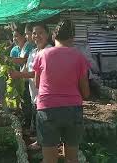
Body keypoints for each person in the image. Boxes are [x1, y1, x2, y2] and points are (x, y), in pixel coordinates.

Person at [33, 19, 90, 163]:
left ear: (53, 36)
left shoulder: (42, 55)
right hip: (73, 109)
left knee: (49, 159)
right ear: (73, 38)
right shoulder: (79, 57)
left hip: (47, 109)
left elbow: (37, 84)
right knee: (71, 158)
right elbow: (86, 92)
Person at [10, 22, 52, 150]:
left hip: (45, 90)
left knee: (44, 116)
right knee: (38, 114)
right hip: (34, 89)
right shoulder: (34, 51)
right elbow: (28, 69)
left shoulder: (49, 51)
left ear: (47, 34)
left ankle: (42, 143)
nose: (36, 36)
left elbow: (39, 72)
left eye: (40, 33)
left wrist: (19, 75)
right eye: (34, 33)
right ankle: (40, 138)